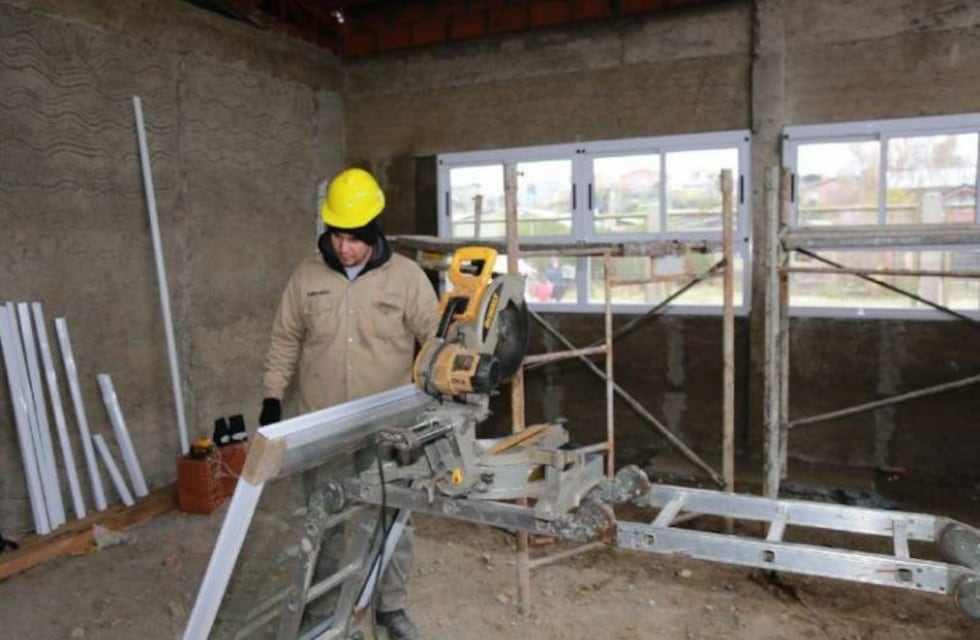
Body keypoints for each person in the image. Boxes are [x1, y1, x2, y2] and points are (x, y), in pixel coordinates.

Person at [259, 167, 438, 640]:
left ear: (374, 230)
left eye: (355, 237)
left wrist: (439, 396)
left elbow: (438, 342)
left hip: (387, 427)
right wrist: (272, 398)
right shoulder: (306, 277)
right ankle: (322, 608)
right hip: (322, 426)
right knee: (325, 519)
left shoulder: (408, 279)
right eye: (338, 235)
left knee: (392, 517)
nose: (345, 247)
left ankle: (390, 608)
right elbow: (285, 339)